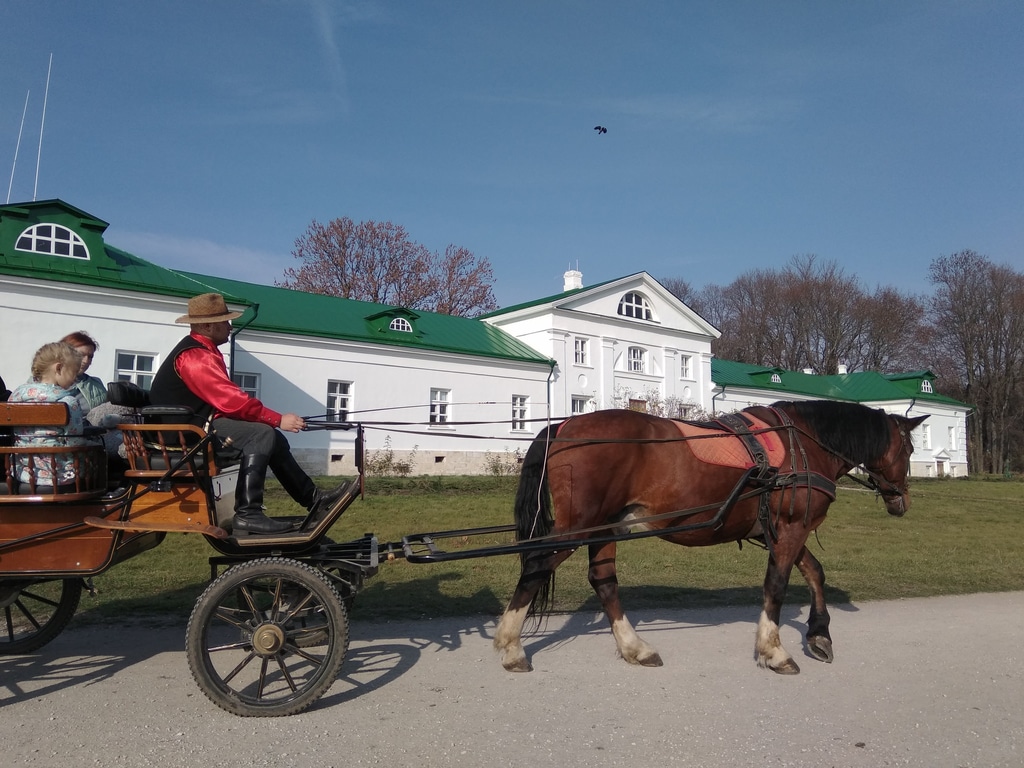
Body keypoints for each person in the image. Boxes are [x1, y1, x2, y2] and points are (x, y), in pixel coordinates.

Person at [148, 293, 353, 534]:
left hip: (197, 426)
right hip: (183, 435)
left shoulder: (204, 350)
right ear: (206, 325)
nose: (229, 326)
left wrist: (275, 424)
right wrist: (277, 419)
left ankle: (314, 499)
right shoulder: (194, 357)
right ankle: (248, 514)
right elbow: (230, 400)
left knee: (272, 437)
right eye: (224, 321)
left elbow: (226, 401)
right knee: (263, 434)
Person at [8, 342, 95, 487]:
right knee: (98, 449)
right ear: (59, 368)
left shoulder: (16, 396)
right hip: (61, 474)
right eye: (73, 373)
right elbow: (74, 441)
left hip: (22, 471)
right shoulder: (67, 402)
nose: (74, 379)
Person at [60, 331, 108, 415]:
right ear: (64, 353)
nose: (86, 361)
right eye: (81, 355)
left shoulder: (96, 385)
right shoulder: (43, 383)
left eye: (90, 357)